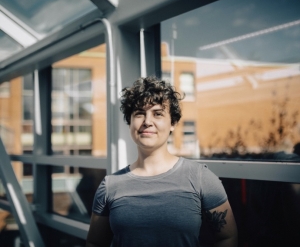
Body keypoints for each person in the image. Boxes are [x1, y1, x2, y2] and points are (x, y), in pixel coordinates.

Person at [86, 76, 238, 247]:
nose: (147, 122)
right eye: (139, 113)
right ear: (130, 122)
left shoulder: (201, 178)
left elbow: (227, 237)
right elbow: (95, 243)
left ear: (173, 123)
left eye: (157, 114)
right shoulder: (110, 186)